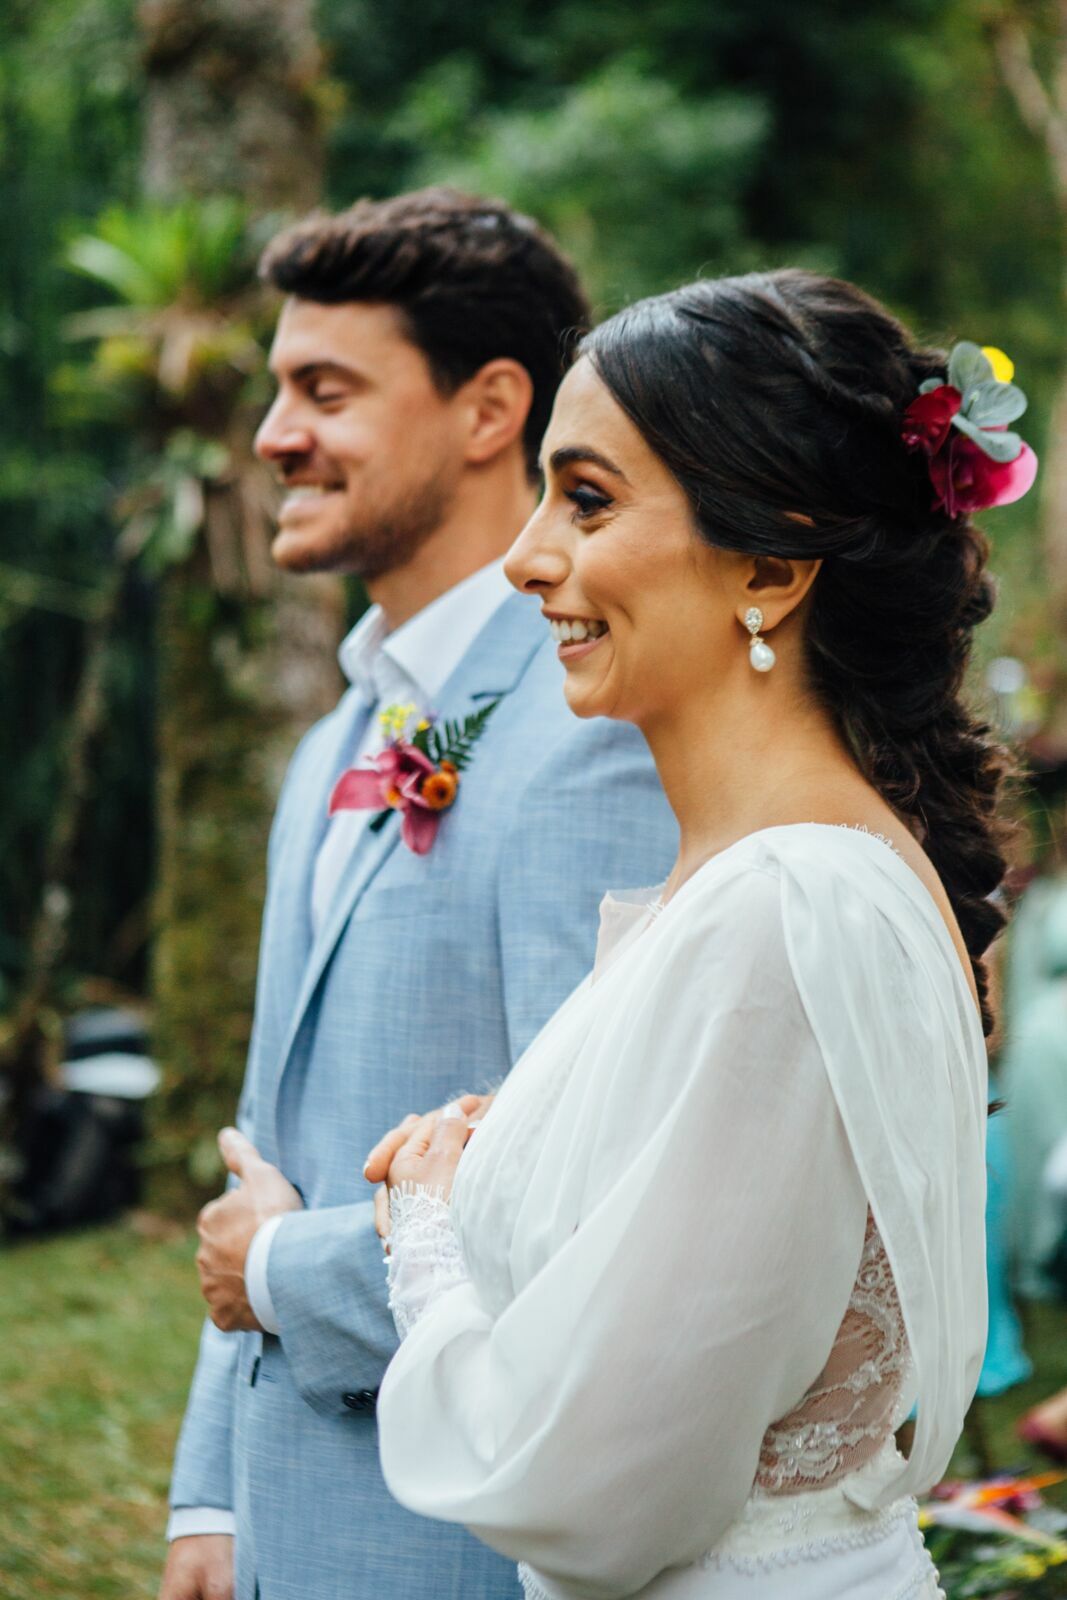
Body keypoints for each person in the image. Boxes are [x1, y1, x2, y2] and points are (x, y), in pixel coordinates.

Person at [367, 274, 1033, 1597]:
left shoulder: (787, 909)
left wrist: (427, 1237)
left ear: (771, 569)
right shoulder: (773, 880)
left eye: (588, 499)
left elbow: (594, 1483)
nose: (525, 557)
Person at [160, 188, 677, 1600]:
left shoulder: (594, 736)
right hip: (286, 1521)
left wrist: (283, 1270)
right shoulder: (337, 740)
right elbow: (267, 1152)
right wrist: (211, 1493)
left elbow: (592, 1206)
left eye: (326, 392)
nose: (274, 436)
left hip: (452, 1541)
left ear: (489, 408)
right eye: (277, 390)